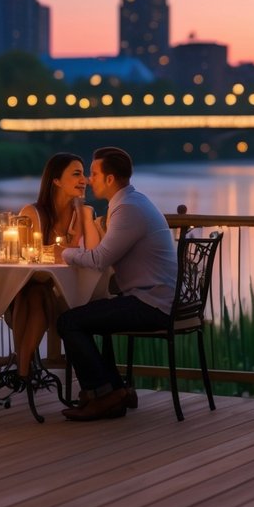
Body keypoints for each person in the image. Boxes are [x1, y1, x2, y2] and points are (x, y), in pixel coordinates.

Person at [56, 146, 177, 421]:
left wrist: (64, 253)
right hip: (155, 297)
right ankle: (114, 391)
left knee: (69, 322)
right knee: (92, 311)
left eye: (94, 173)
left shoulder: (128, 209)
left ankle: (103, 394)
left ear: (110, 179)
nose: (88, 179)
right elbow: (107, 255)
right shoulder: (131, 203)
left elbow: (99, 260)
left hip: (151, 303)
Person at [9, 152, 101, 378]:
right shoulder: (32, 214)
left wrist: (82, 213)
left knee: (34, 294)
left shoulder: (86, 213)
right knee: (34, 292)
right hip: (34, 289)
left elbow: (93, 255)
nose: (85, 180)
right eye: (77, 174)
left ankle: (22, 370)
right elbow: (25, 259)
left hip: (76, 296)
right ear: (56, 180)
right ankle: (24, 369)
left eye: (84, 174)